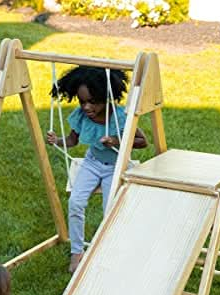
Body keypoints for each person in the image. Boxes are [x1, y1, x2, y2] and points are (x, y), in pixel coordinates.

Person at [46, 66, 148, 273]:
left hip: (115, 166)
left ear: (105, 97)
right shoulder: (82, 117)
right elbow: (72, 141)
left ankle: (109, 249)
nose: (86, 107)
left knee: (109, 208)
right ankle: (77, 252)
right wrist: (57, 140)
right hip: (92, 163)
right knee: (75, 202)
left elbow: (142, 142)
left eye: (92, 101)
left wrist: (115, 140)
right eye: (82, 101)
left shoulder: (120, 116)